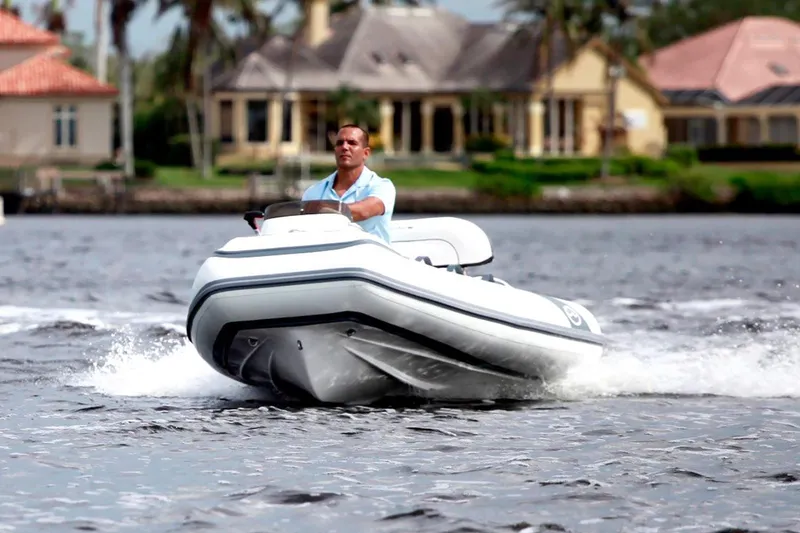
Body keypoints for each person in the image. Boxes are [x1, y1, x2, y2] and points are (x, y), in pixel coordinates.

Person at [301, 124, 396, 244]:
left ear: (366, 153)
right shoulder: (313, 192)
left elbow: (363, 211)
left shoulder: (382, 186)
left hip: (369, 254)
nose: (345, 147)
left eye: (352, 143)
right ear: (335, 150)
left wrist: (321, 208)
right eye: (340, 143)